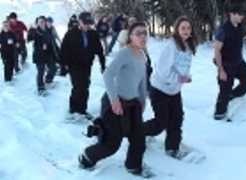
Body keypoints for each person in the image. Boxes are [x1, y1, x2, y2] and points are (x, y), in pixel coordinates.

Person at [79, 22, 153, 178]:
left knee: (138, 138)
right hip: (115, 102)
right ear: (130, 36)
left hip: (132, 104)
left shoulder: (142, 55)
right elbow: (107, 75)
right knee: (112, 144)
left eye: (144, 33)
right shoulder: (125, 53)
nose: (142, 36)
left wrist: (142, 100)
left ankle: (133, 166)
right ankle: (87, 156)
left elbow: (142, 81)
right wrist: (114, 100)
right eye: (138, 33)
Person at [143, 16, 198, 159]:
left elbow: (184, 66)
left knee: (177, 119)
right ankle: (138, 132)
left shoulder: (188, 46)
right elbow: (162, 70)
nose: (186, 31)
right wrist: (178, 79)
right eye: (183, 28)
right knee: (161, 122)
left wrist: (186, 76)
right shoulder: (170, 45)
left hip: (174, 90)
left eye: (188, 28)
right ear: (177, 30)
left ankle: (172, 148)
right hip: (160, 89)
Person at [213, 4, 246, 120]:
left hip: (238, 62)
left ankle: (232, 95)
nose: (242, 16)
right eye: (240, 14)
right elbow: (217, 51)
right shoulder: (223, 30)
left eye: (243, 14)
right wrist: (221, 70)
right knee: (224, 94)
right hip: (226, 65)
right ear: (232, 14)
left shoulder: (240, 27)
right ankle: (218, 117)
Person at [60, 12, 105, 121]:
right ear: (79, 22)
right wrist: (63, 66)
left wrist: (103, 64)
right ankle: (73, 109)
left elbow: (99, 50)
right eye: (85, 23)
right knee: (78, 86)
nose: (87, 26)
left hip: (87, 65)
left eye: (89, 23)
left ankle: (82, 109)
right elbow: (63, 50)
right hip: (74, 65)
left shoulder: (93, 34)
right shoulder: (71, 34)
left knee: (85, 86)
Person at [27, 16, 57, 95]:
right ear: (37, 23)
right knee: (41, 71)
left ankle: (48, 80)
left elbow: (52, 42)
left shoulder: (48, 30)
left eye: (43, 21)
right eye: (40, 22)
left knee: (53, 68)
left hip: (48, 54)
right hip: (39, 55)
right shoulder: (35, 31)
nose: (42, 23)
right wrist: (30, 31)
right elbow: (29, 39)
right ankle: (40, 88)